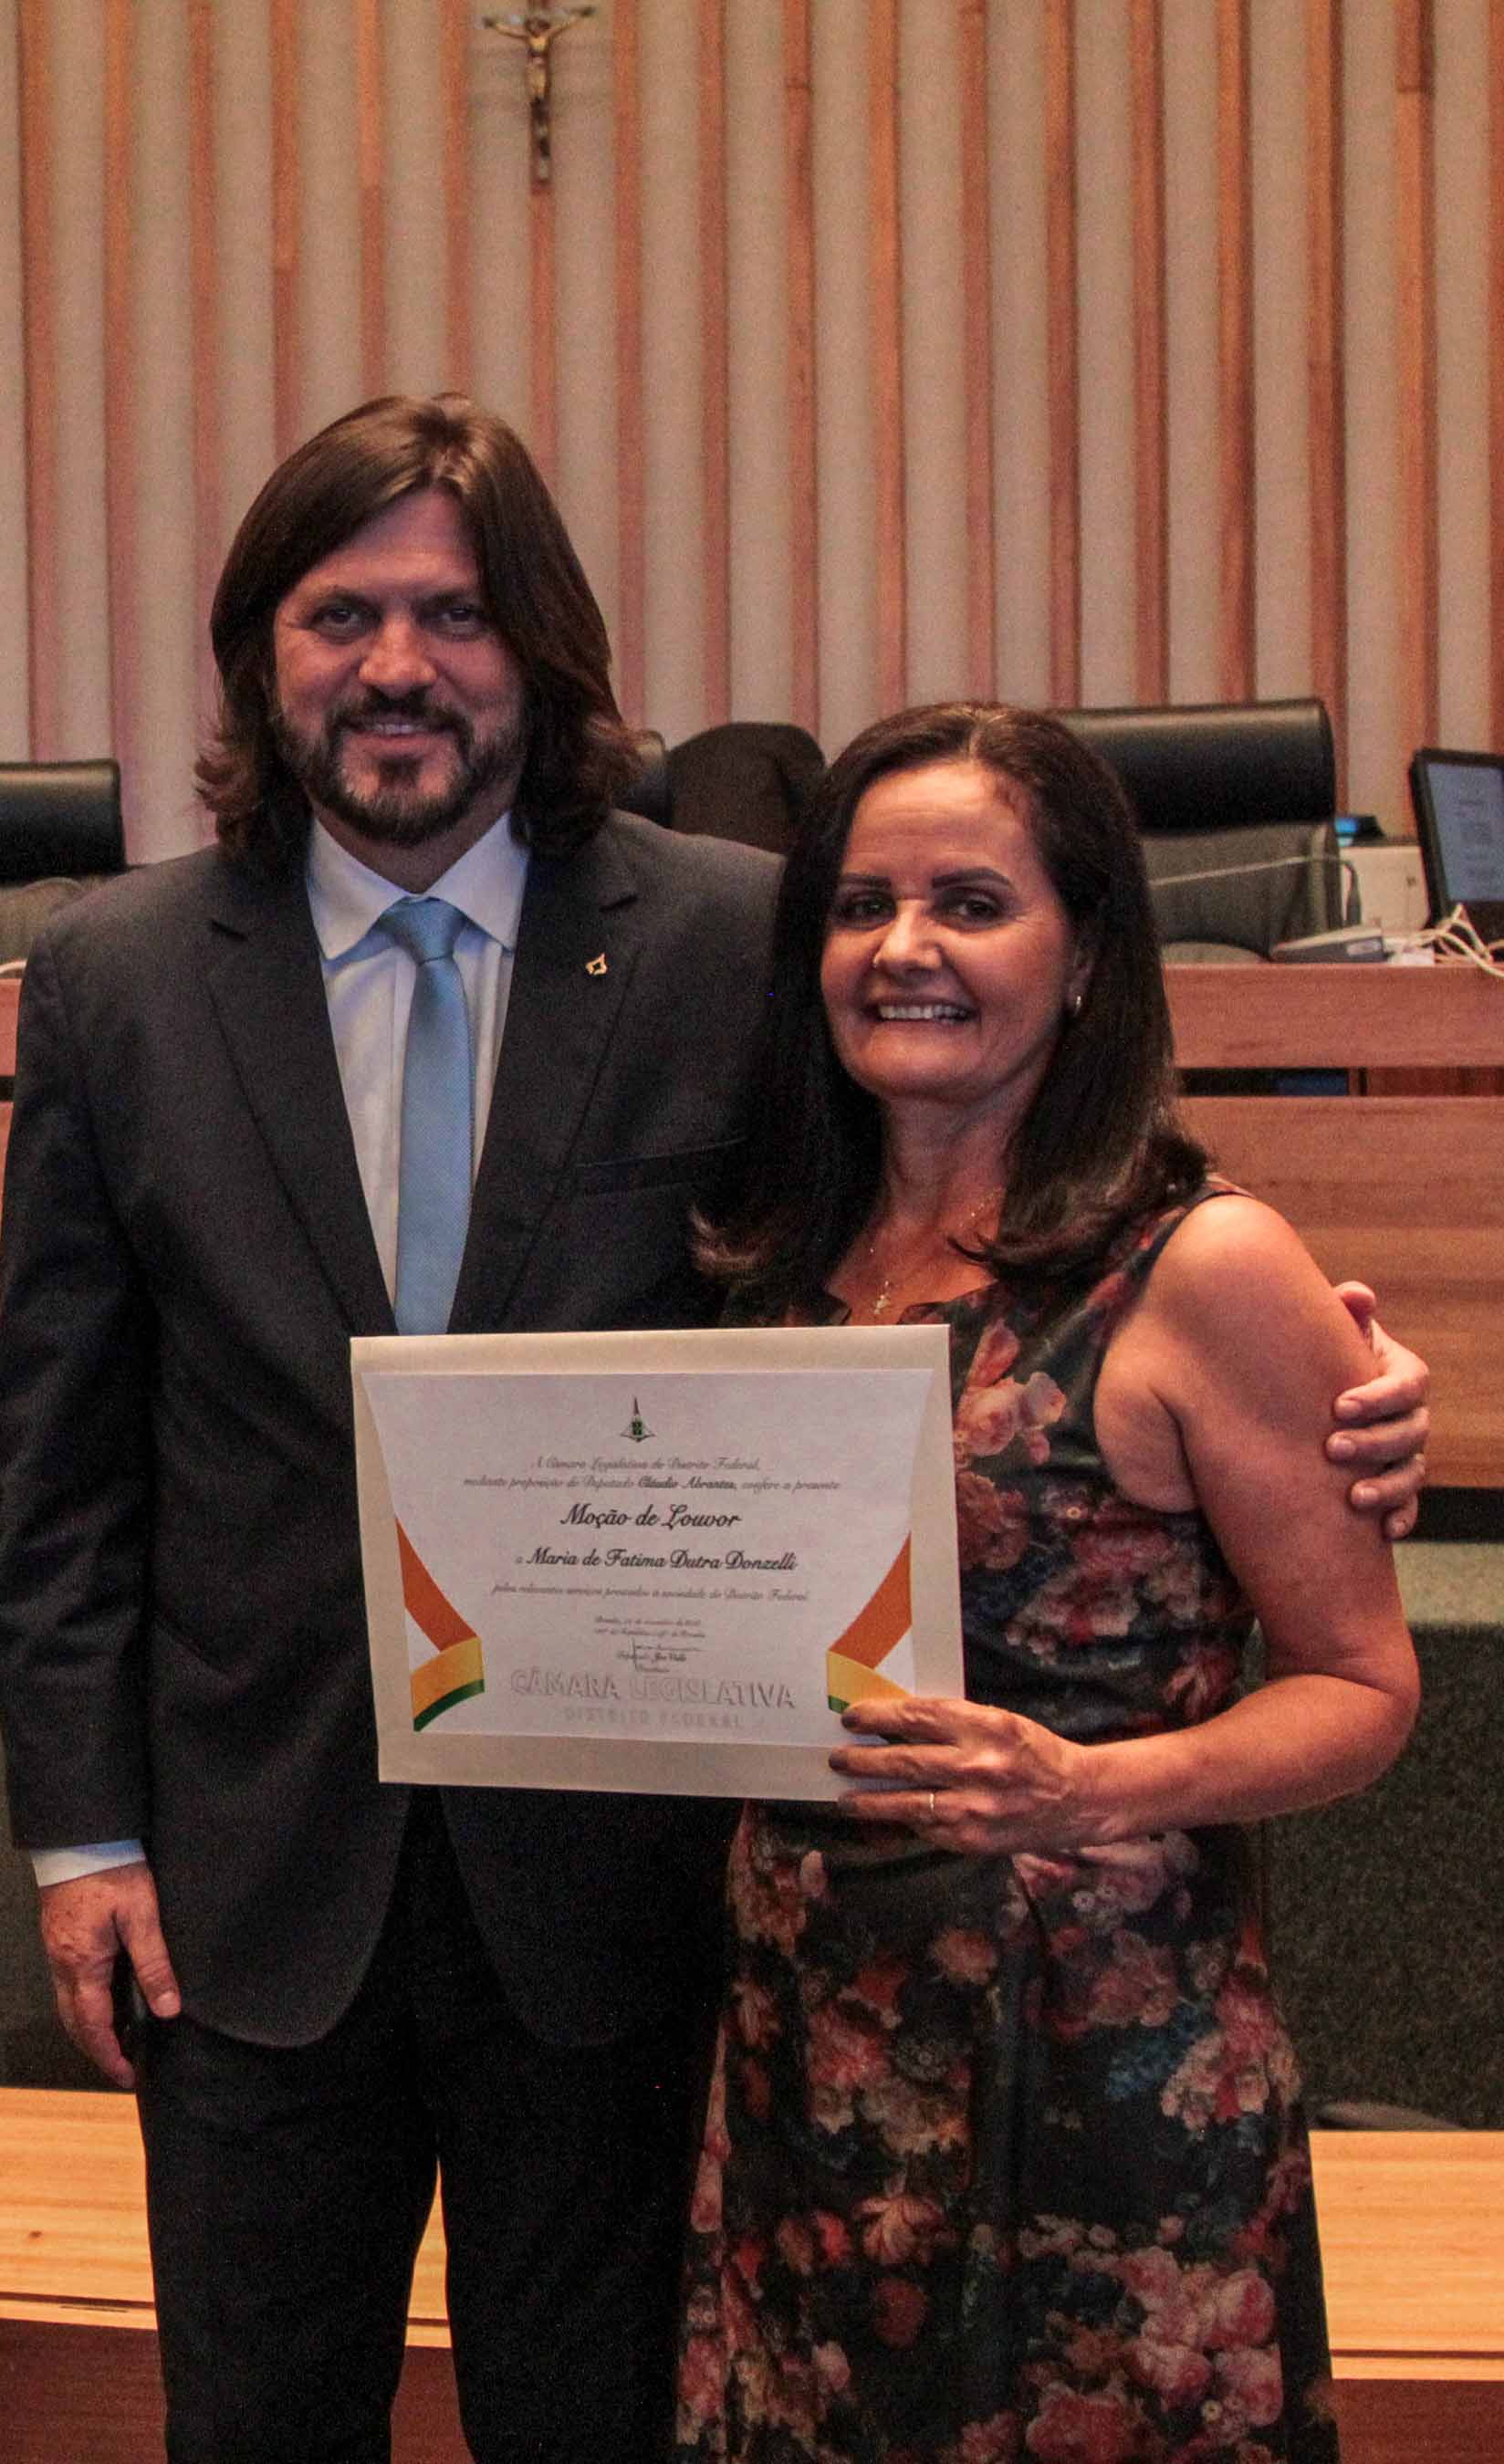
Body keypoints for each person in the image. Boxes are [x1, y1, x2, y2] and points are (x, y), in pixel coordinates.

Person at [0, 395, 1433, 2464]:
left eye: (457, 614)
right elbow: (68, 1444)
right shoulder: (109, 972)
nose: (398, 662)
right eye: (341, 611)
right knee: (249, 2417)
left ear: (542, 649)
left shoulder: (728, 933)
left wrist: (1347, 1380)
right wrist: (83, 1833)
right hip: (246, 1873)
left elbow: (1026, 1213)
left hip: (625, 1891)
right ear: (259, 648)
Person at [672, 703, 1416, 2461]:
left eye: (970, 902)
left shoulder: (1202, 1259)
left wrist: (1091, 1784)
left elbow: (1368, 1691)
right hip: (811, 2054)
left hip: (1091, 2079)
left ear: (1086, 955)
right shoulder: (781, 1262)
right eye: (861, 906)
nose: (904, 949)